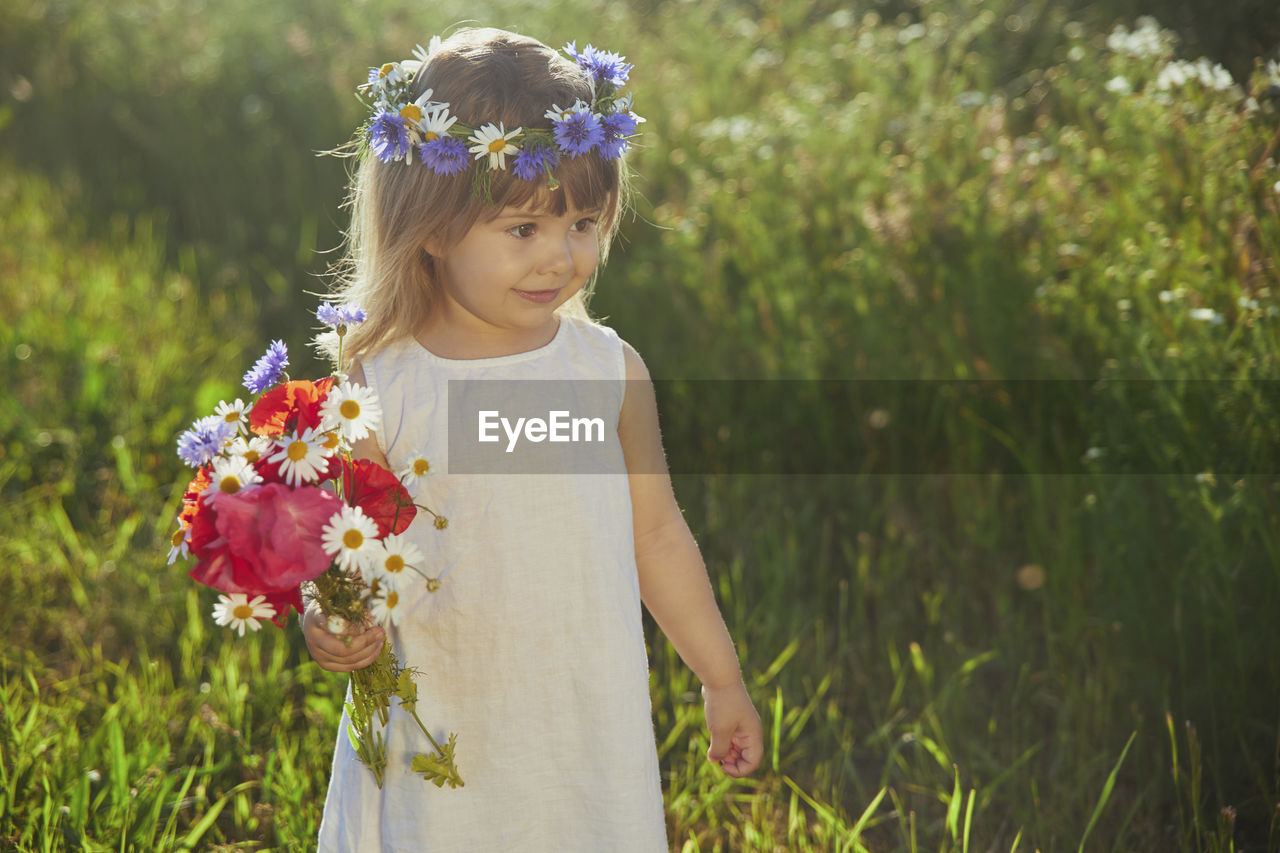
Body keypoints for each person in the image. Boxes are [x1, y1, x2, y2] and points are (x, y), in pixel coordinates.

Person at [301, 27, 762, 850]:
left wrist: (719, 676)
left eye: (583, 222)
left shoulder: (604, 372)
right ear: (433, 228)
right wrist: (336, 621)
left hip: (581, 717)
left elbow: (654, 534)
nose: (561, 256)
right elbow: (351, 554)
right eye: (523, 230)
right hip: (439, 726)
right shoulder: (383, 385)